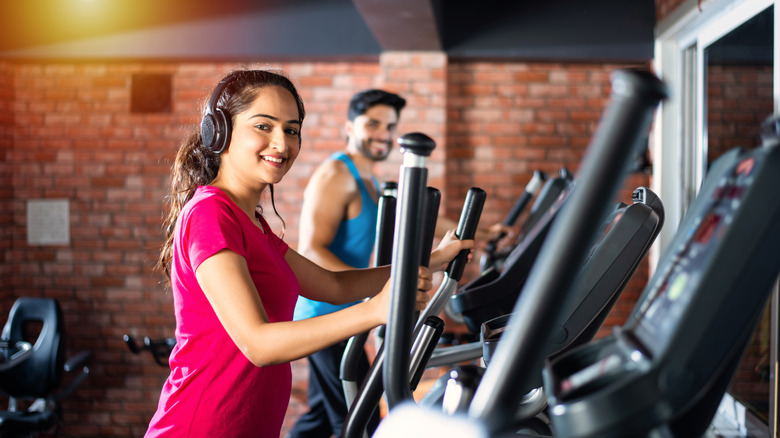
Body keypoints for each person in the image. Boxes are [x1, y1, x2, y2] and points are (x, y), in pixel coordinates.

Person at [145, 70, 472, 438]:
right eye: (263, 127)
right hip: (199, 426)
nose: (281, 144)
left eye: (291, 130)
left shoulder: (252, 223)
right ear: (219, 132)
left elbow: (332, 284)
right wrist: (376, 310)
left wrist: (431, 260)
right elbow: (258, 343)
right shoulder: (210, 214)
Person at [290, 89, 508, 437]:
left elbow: (428, 219)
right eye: (373, 123)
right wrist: (366, 293)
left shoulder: (371, 181)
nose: (383, 134)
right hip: (325, 312)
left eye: (390, 126)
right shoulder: (335, 175)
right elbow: (312, 250)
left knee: (321, 416)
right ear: (349, 126)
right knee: (356, 419)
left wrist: (476, 229)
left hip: (348, 310)